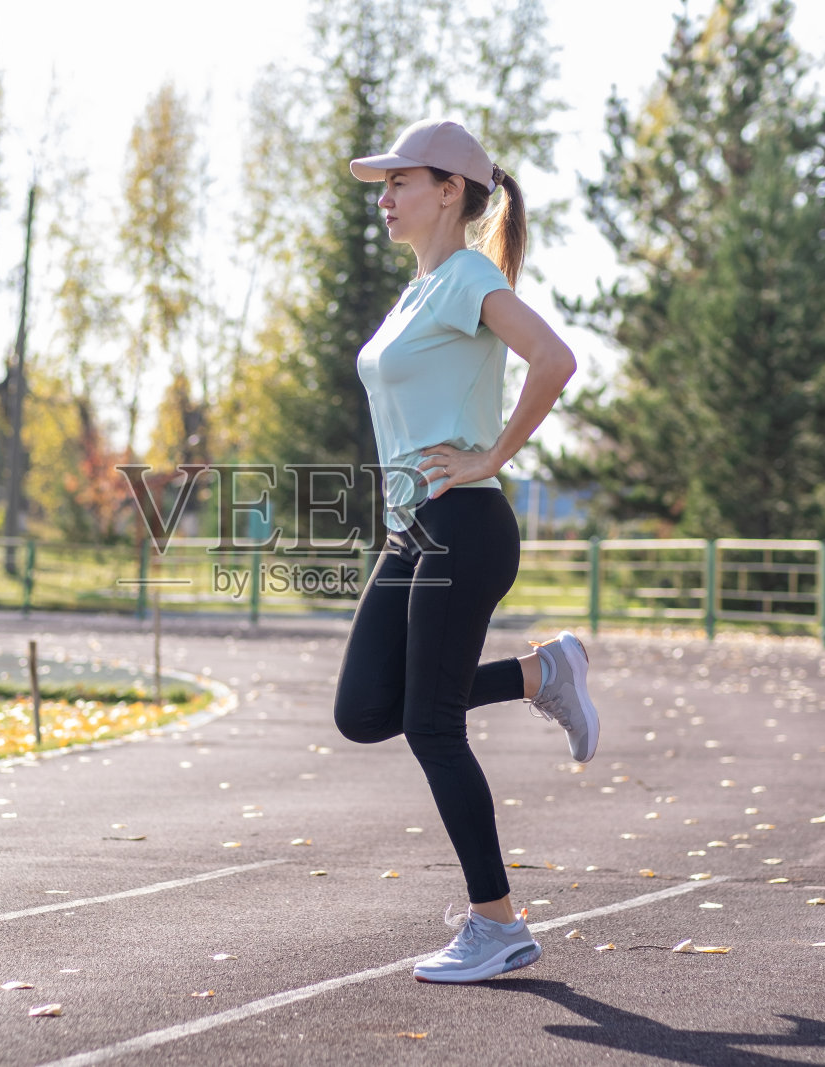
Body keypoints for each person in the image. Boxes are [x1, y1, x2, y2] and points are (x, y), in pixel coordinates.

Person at [332, 118, 600, 984]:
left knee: (431, 724)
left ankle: (498, 923)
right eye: (384, 184)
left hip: (465, 522)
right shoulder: (418, 292)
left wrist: (492, 456)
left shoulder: (468, 278)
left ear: (450, 190)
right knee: (367, 710)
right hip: (416, 531)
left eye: (400, 182)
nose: (385, 197)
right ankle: (537, 674)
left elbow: (554, 359)